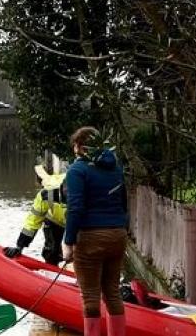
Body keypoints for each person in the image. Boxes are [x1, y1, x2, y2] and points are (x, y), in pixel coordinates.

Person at [61, 127, 128, 336]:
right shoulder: (116, 168)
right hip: (118, 235)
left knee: (90, 298)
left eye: (75, 145)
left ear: (80, 147)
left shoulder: (77, 170)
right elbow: (124, 203)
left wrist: (69, 241)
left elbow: (75, 207)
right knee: (113, 294)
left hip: (90, 237)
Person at [3, 167, 67, 265]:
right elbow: (32, 222)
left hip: (79, 221)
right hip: (54, 219)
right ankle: (51, 269)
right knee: (51, 251)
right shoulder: (45, 196)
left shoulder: (87, 192)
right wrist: (20, 246)